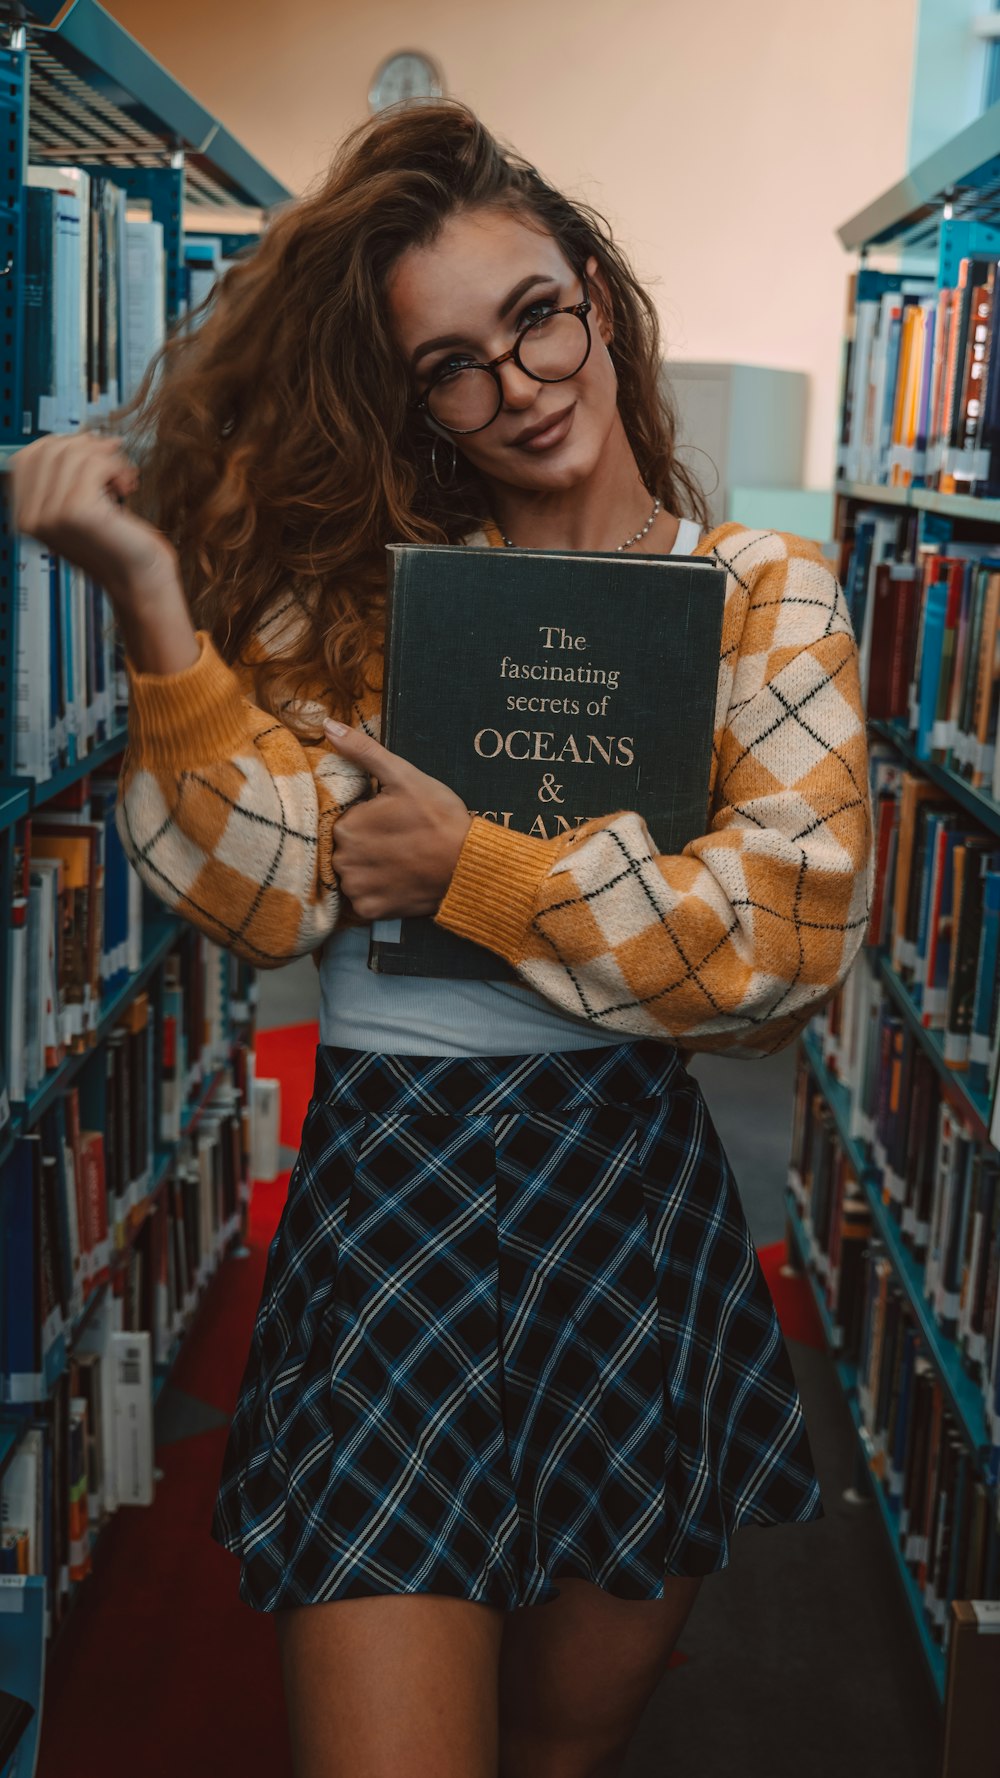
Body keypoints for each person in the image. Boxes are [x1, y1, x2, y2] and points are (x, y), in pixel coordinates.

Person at [9, 99, 874, 1778]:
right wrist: (151, 608)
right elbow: (250, 883)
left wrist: (477, 867)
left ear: (596, 299)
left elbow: (789, 928)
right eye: (453, 365)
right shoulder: (366, 600)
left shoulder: (766, 593)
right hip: (393, 1195)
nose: (520, 379)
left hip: (628, 1203)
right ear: (418, 407)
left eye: (536, 314)